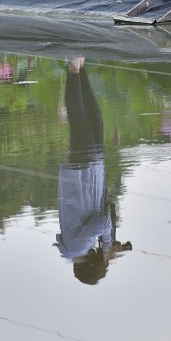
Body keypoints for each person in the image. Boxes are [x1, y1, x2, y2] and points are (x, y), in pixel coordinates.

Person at [54, 56, 131, 284]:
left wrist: (108, 246)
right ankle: (80, 68)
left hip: (83, 173)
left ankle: (73, 67)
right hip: (88, 175)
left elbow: (104, 220)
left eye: (103, 263)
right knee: (95, 117)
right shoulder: (74, 244)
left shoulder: (80, 244)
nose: (105, 259)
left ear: (92, 264)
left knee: (79, 119)